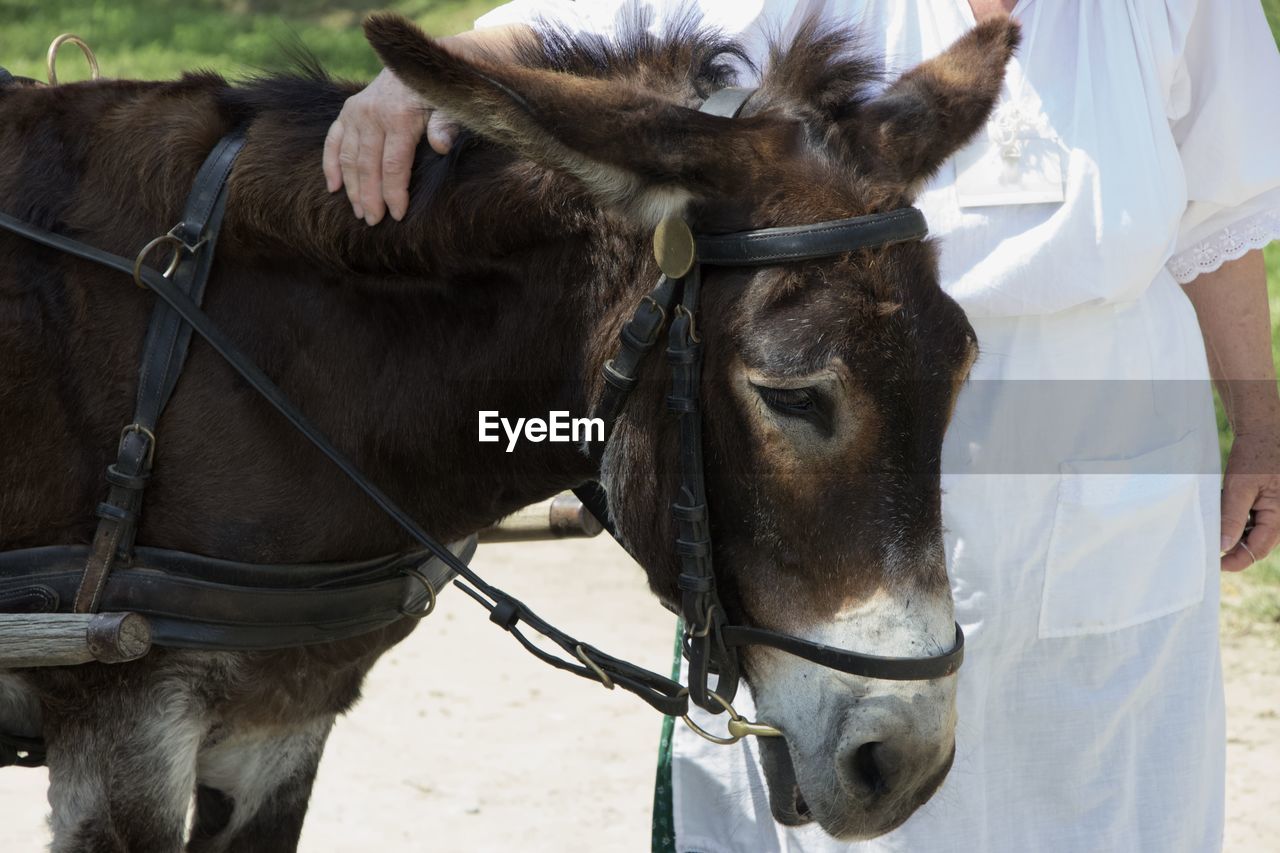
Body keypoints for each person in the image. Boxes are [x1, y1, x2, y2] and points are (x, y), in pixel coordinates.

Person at [324, 2, 1280, 850]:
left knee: (1109, 808)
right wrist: (416, 76)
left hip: (1116, 494)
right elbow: (593, 19)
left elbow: (1215, 220)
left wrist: (1262, 423)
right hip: (836, 472)